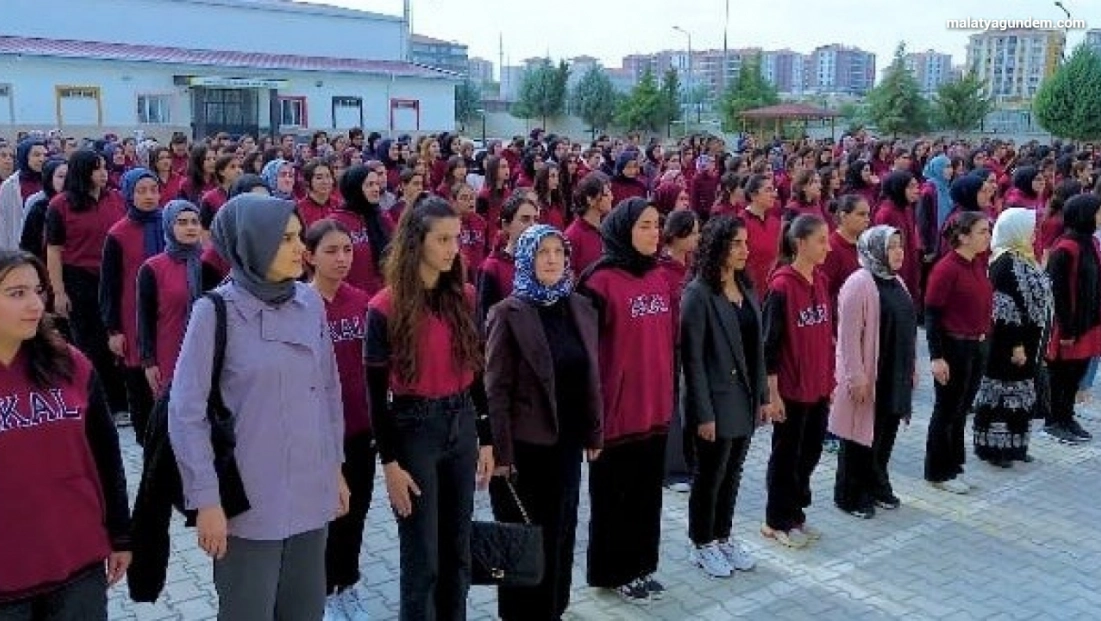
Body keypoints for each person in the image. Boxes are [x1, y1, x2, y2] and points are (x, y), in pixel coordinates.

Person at [169, 194, 349, 620]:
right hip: (248, 499)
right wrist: (206, 500)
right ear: (253, 243)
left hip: (310, 487)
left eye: (298, 236)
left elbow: (327, 390)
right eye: (285, 239)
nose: (300, 249)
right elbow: (186, 412)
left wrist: (335, 467)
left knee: (305, 610)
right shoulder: (215, 312)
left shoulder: (308, 303)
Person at [365, 195, 495, 621]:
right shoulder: (384, 307)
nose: (453, 248)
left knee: (457, 549)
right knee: (422, 556)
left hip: (461, 425)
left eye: (455, 238)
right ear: (416, 242)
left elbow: (476, 372)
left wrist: (487, 438)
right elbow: (375, 394)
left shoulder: (465, 295)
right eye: (442, 239)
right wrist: (390, 463)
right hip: (414, 429)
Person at [0, 250, 131, 619]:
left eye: (38, 290)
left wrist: (121, 534)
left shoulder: (70, 364)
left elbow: (107, 456)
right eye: (16, 293)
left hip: (77, 564)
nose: (34, 304)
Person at [484, 224, 603, 621]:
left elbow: (589, 375)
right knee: (523, 542)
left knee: (561, 532)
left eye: (558, 252)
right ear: (526, 259)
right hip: (525, 452)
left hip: (566, 445)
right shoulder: (508, 313)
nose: (552, 260)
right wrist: (501, 453)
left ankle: (554, 609)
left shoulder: (577, 306)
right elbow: (495, 388)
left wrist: (593, 429)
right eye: (542, 252)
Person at [578, 197, 675, 604]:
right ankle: (613, 572)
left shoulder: (658, 276)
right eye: (646, 226)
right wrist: (591, 418)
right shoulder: (598, 282)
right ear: (623, 230)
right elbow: (584, 356)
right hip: (616, 417)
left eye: (657, 225)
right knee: (614, 499)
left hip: (654, 408)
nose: (655, 233)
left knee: (647, 495)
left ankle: (641, 566)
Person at [679, 215, 767, 578]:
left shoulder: (746, 288)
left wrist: (763, 396)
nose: (745, 250)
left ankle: (723, 534)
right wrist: (703, 414)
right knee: (710, 474)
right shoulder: (699, 294)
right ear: (718, 247)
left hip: (744, 398)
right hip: (716, 400)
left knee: (733, 472)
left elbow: (757, 350)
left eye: (746, 243)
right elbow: (693, 360)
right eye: (737, 244)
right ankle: (702, 543)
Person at [303, 219, 376, 620]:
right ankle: (322, 592)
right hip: (316, 434)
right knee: (324, 516)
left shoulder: (362, 301)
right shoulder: (299, 304)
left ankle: (348, 584)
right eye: (331, 251)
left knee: (358, 511)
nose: (342, 258)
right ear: (309, 256)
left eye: (347, 250)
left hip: (360, 428)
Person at [830, 226, 917, 519]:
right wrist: (855, 376)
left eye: (899, 246)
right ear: (875, 249)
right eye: (891, 246)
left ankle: (877, 483)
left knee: (884, 432)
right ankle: (850, 494)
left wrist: (912, 367)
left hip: (894, 371)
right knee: (859, 437)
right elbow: (848, 337)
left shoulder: (897, 281)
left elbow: (907, 330)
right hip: (868, 374)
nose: (898, 252)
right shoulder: (859, 283)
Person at [760, 214, 834, 548]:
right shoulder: (781, 287)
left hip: (818, 386)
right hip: (791, 390)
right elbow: (769, 348)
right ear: (799, 243)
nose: (827, 247)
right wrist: (773, 396)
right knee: (786, 457)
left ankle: (796, 514)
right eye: (821, 240)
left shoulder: (819, 280)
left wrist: (830, 380)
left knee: (810, 454)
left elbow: (825, 336)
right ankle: (776, 520)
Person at [973, 208, 1053, 465]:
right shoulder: (1004, 263)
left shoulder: (1025, 258)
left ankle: (1016, 445)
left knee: (1021, 392)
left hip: (1030, 338)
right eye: (1029, 228)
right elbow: (1003, 309)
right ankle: (993, 449)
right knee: (1001, 392)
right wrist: (1016, 345)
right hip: (1008, 342)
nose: (1034, 234)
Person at [924, 211, 993, 494]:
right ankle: (937, 471)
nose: (987, 236)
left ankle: (954, 465)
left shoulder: (976, 263)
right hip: (954, 346)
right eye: (981, 232)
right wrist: (936, 356)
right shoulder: (946, 268)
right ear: (963, 236)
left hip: (976, 346)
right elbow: (932, 313)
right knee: (947, 409)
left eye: (988, 231)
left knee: (962, 408)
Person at [100, 168, 162, 444]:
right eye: (141, 191)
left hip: (168, 315)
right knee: (139, 386)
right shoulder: (118, 233)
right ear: (129, 193)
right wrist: (113, 329)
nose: (149, 196)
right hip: (132, 317)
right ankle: (144, 439)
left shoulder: (172, 224)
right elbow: (109, 285)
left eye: (153, 190)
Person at [1043, 194, 1101, 444]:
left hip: (1088, 322)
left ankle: (1066, 416)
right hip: (1069, 326)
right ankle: (1054, 420)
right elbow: (1058, 293)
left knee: (1076, 374)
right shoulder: (1065, 248)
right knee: (1062, 375)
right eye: (1098, 212)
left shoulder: (1090, 242)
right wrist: (1066, 329)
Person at [136, 200, 203, 399]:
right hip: (169, 352)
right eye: (181, 222)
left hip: (206, 351)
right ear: (168, 225)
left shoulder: (208, 263)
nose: (190, 227)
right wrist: (149, 362)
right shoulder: (152, 268)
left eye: (194, 221)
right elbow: (144, 319)